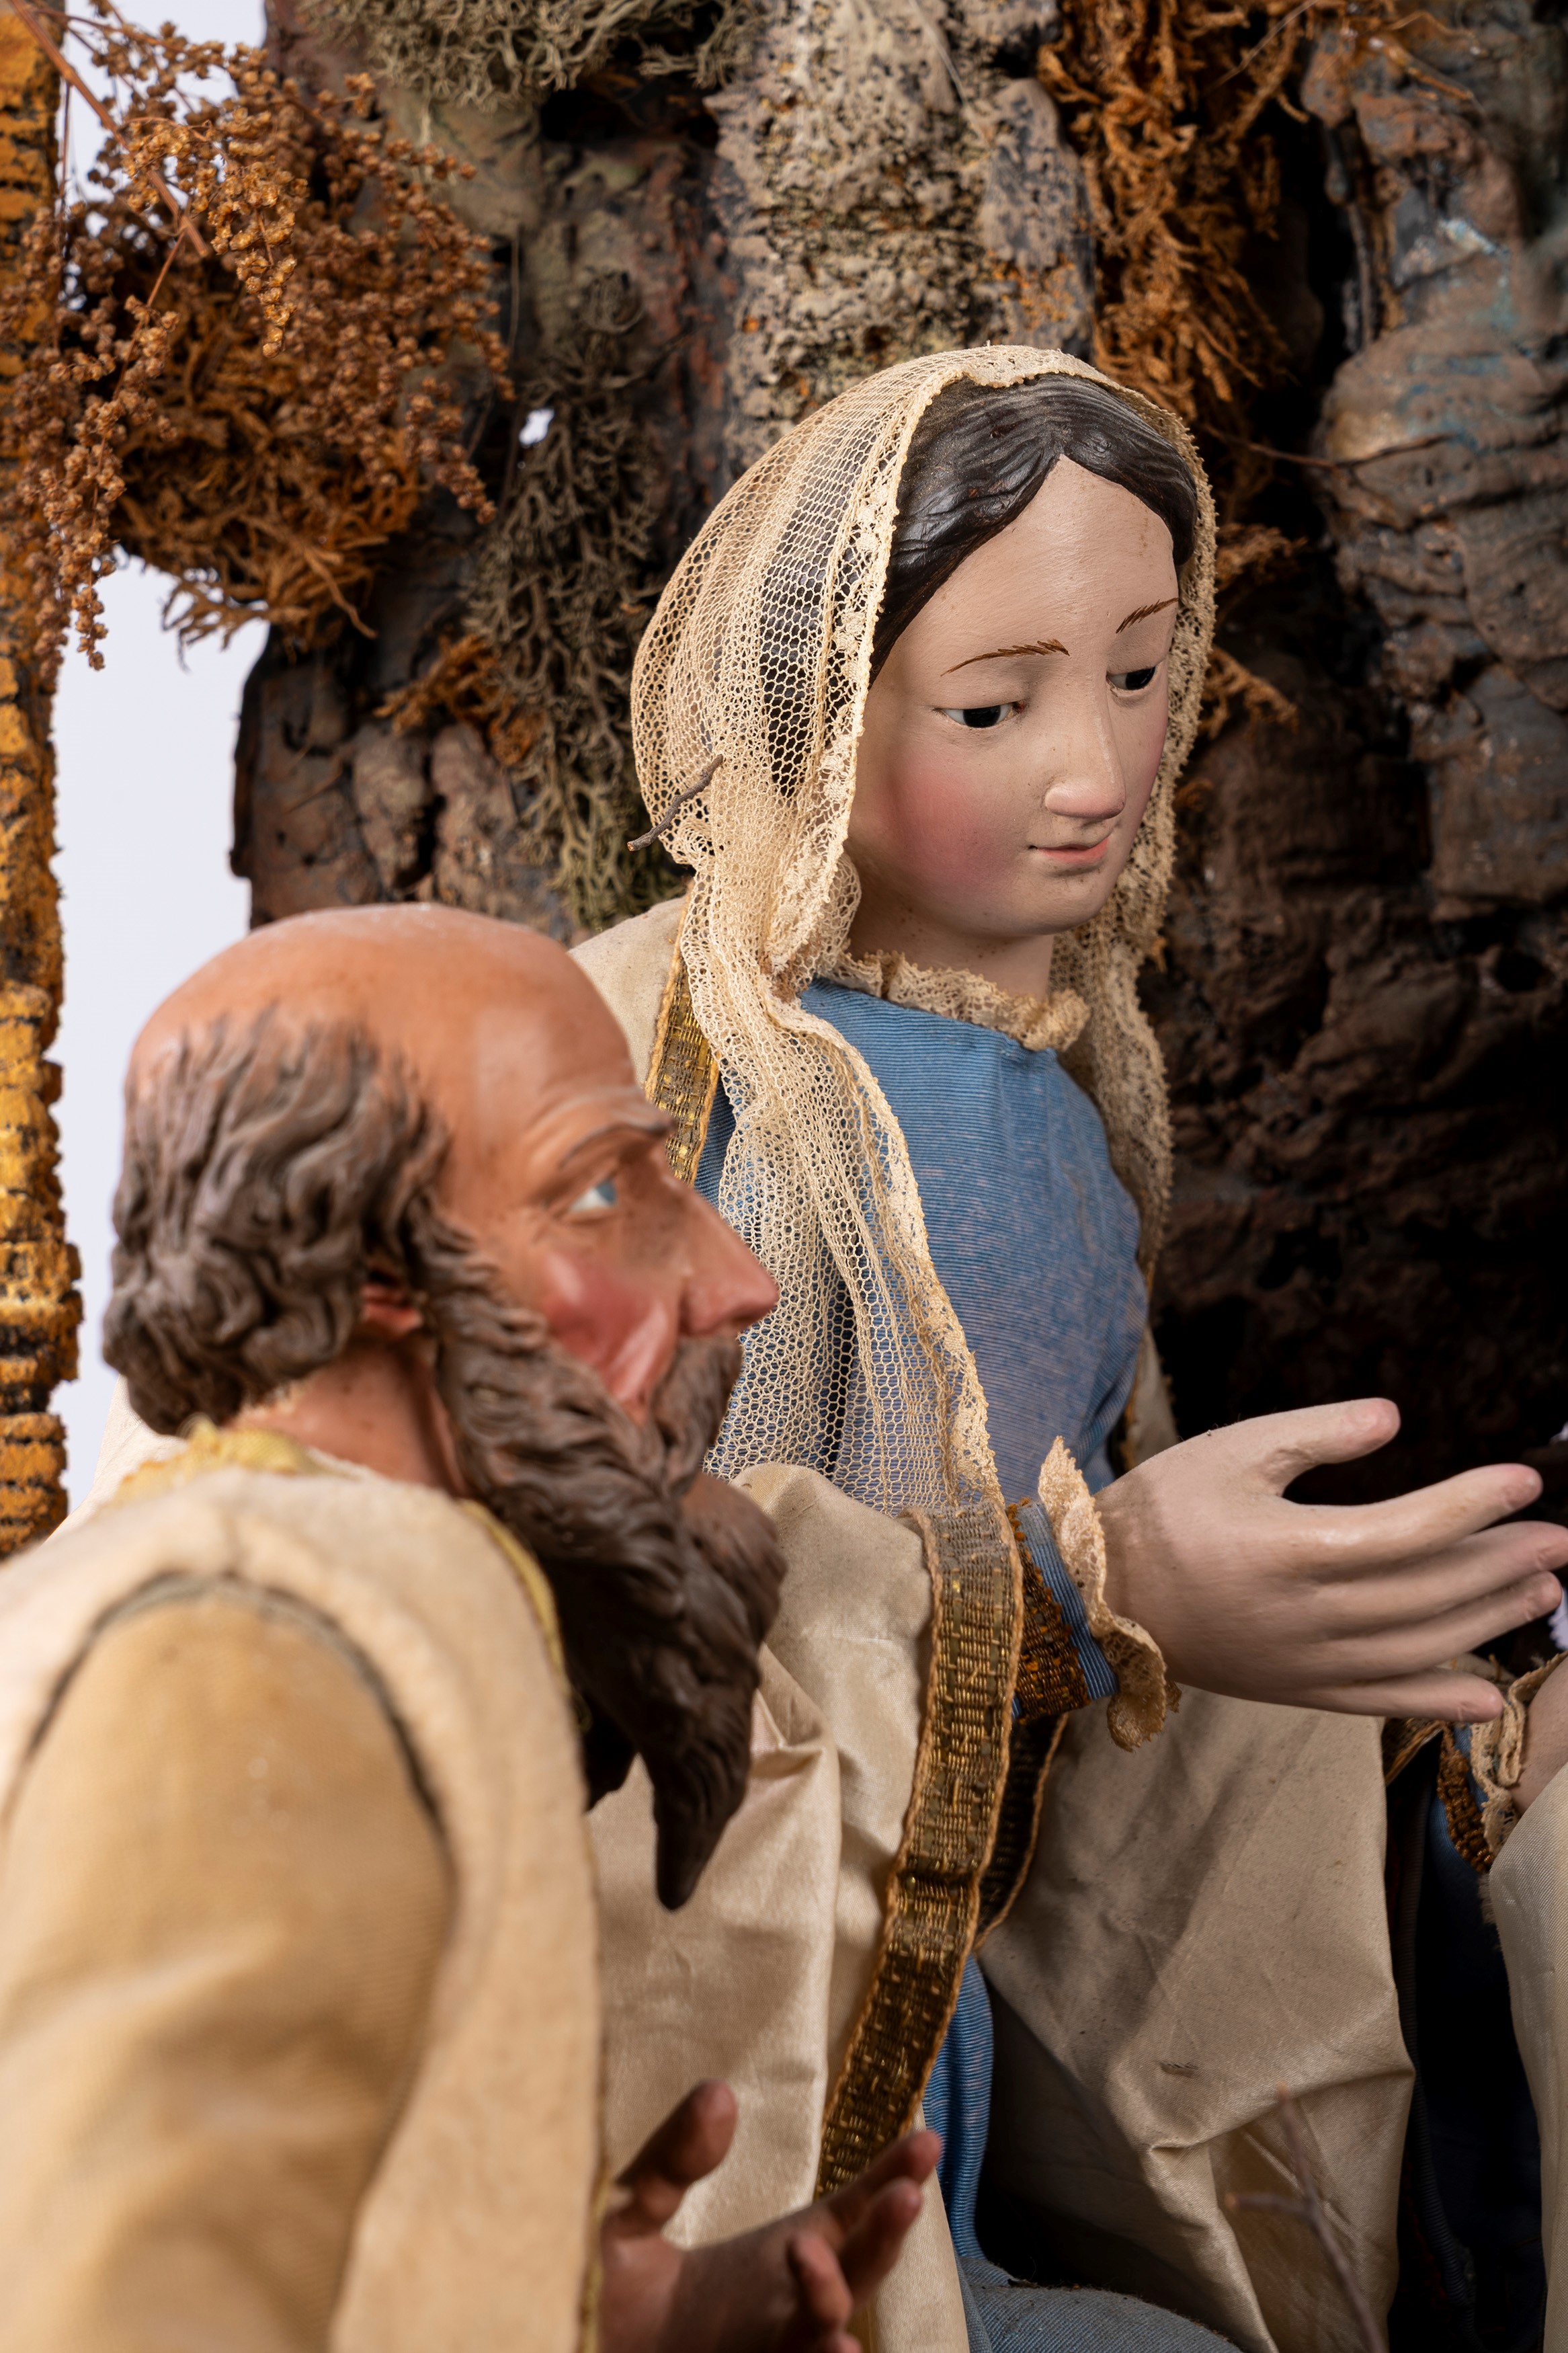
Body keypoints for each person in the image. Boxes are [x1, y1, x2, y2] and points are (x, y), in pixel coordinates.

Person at [567, 346, 1568, 2350]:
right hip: (786, 2052)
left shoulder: (1036, 1084)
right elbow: (733, 1620)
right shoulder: (792, 1103)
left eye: (1133, 670)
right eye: (990, 704)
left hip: (974, 1954)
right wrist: (1095, 1586)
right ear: (809, 722)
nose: (1094, 766)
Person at [0, 904, 941, 2353]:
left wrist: (599, 2311)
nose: (736, 1282)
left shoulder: (378, 1590)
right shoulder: (250, 1657)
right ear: (381, 1273)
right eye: (603, 1193)